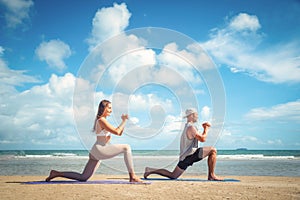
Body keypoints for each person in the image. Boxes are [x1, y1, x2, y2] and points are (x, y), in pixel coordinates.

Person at [46, 99, 142, 182]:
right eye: (109, 108)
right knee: (127, 147)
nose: (111, 110)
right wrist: (124, 120)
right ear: (103, 108)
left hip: (96, 150)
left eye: (111, 108)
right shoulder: (101, 120)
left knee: (83, 177)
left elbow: (119, 132)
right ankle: (132, 176)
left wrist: (123, 122)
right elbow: (117, 132)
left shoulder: (102, 120)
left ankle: (56, 173)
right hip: (100, 149)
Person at [144, 108, 222, 181]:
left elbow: (199, 137)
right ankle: (211, 175)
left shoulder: (187, 127)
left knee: (173, 175)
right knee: (213, 150)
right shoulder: (191, 127)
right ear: (191, 116)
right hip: (190, 155)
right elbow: (202, 139)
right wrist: (206, 128)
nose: (197, 117)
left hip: (184, 157)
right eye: (196, 115)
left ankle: (150, 170)